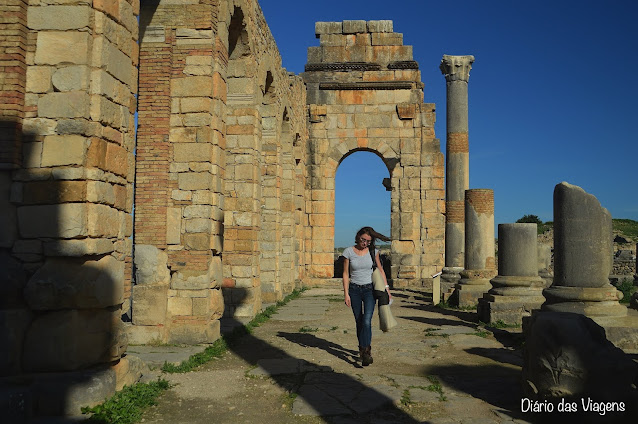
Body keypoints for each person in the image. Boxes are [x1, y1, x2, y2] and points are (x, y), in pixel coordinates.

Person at [342, 226, 391, 366]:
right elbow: (345, 274)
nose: (365, 243)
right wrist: (346, 293)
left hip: (369, 289)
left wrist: (387, 289)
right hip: (354, 290)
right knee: (359, 321)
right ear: (358, 237)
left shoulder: (373, 251)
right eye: (363, 240)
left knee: (367, 321)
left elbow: (381, 271)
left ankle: (366, 352)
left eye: (368, 241)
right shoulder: (348, 252)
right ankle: (363, 350)